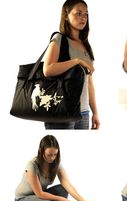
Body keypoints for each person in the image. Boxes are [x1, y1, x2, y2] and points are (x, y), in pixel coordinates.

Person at [15, 135, 93, 201]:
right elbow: (40, 194)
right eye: (49, 155)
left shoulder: (56, 163)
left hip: (39, 196)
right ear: (41, 151)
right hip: (23, 199)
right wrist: (62, 199)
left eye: (55, 154)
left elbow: (67, 184)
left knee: (62, 189)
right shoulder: (32, 165)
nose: (52, 158)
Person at [43, 0, 100, 129]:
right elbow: (47, 69)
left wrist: (95, 112)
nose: (83, 18)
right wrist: (77, 61)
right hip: (62, 109)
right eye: (78, 13)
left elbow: (89, 82)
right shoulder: (59, 39)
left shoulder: (86, 45)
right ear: (65, 16)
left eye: (86, 14)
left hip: (83, 112)